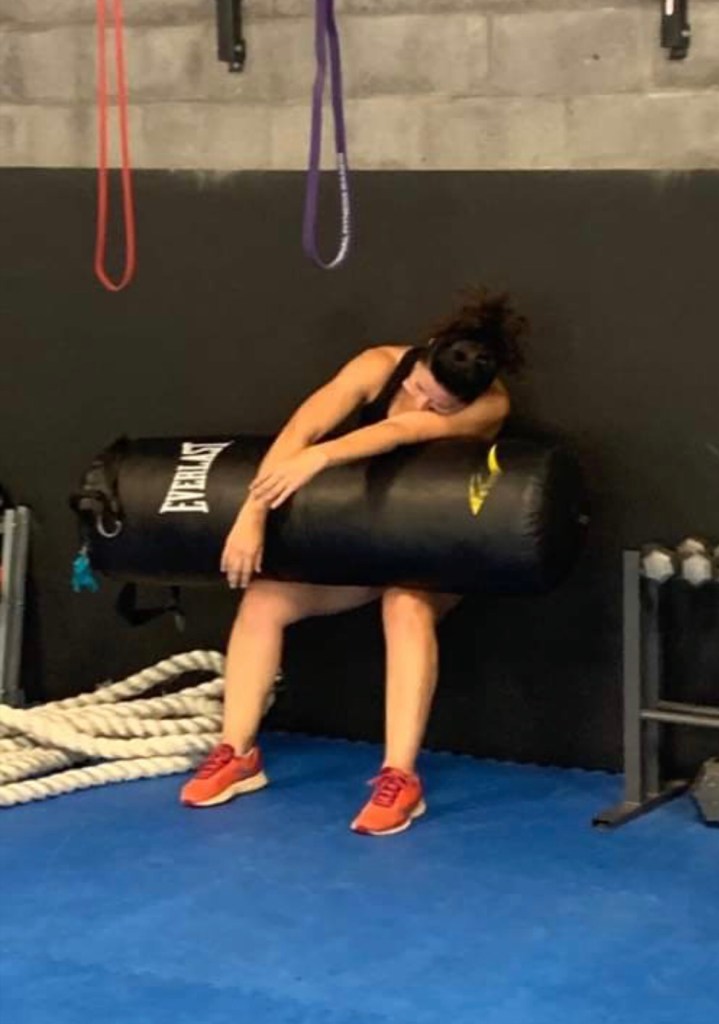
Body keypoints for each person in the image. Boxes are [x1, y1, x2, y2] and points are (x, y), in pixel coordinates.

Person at [181, 287, 527, 835]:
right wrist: (252, 512)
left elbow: (399, 432)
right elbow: (303, 429)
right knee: (264, 599)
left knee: (405, 603)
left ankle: (399, 778)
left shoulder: (490, 405)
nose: (423, 403)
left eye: (440, 405)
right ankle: (238, 753)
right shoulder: (377, 366)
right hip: (373, 539)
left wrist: (318, 459)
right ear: (424, 351)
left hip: (441, 549)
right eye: (419, 388)